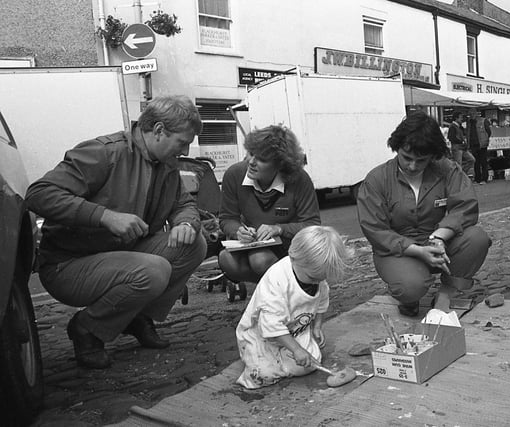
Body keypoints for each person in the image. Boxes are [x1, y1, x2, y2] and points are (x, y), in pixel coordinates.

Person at [25, 95, 208, 369]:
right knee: (154, 270)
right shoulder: (105, 153)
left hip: (123, 254)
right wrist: (104, 216)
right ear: (158, 131)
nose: (184, 151)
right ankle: (87, 329)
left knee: (194, 244)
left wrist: (185, 223)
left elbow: (183, 204)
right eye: (182, 142)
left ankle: (136, 317)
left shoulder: (166, 164)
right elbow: (39, 194)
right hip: (68, 264)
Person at [357, 110, 492, 317]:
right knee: (410, 286)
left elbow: (465, 207)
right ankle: (409, 296)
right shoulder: (376, 179)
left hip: (438, 243)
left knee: (477, 238)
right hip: (397, 250)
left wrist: (438, 238)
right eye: (406, 158)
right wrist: (417, 251)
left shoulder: (447, 169)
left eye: (421, 160)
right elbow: (375, 230)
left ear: (432, 156)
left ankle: (445, 296)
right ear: (397, 149)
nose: (412, 166)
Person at [236, 225, 352, 389]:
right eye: (312, 277)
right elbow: (271, 324)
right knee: (262, 375)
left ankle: (284, 360)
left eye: (320, 279)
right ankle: (265, 359)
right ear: (293, 257)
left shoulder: (316, 277)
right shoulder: (276, 281)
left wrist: (317, 326)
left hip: (294, 330)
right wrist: (297, 350)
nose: (316, 283)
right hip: (261, 335)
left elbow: (321, 300)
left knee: (311, 361)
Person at [218, 125, 321, 284]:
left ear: (280, 164)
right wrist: (238, 231)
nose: (251, 162)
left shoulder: (299, 179)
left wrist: (279, 229)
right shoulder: (234, 174)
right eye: (251, 154)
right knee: (226, 259)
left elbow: (312, 225)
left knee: (260, 259)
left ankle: (288, 288)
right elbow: (227, 218)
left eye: (262, 159)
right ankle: (274, 288)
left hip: (290, 247)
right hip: (253, 245)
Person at [448, 110, 475, 179]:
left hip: (462, 147)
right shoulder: (452, 127)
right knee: (458, 164)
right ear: (456, 118)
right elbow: (451, 137)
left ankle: (461, 174)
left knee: (472, 160)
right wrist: (461, 141)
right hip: (457, 148)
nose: (462, 119)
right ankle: (459, 177)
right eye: (460, 118)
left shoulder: (460, 127)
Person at [468, 109, 492, 185]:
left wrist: (485, 139)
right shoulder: (469, 123)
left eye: (472, 113)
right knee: (476, 162)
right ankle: (477, 178)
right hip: (473, 145)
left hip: (482, 144)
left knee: (483, 162)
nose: (471, 115)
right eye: (470, 114)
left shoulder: (483, 121)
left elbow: (489, 131)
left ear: (476, 113)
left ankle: (484, 178)